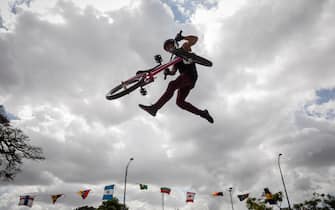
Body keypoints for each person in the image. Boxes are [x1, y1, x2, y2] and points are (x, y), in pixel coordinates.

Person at [138, 34, 214, 123]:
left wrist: (183, 38)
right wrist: (168, 72)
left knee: (172, 85)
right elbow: (173, 72)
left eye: (170, 46)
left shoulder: (184, 49)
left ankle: (155, 108)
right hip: (186, 82)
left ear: (175, 44)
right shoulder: (175, 59)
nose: (169, 48)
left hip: (190, 75)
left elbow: (194, 39)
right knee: (180, 103)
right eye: (167, 48)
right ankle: (203, 113)